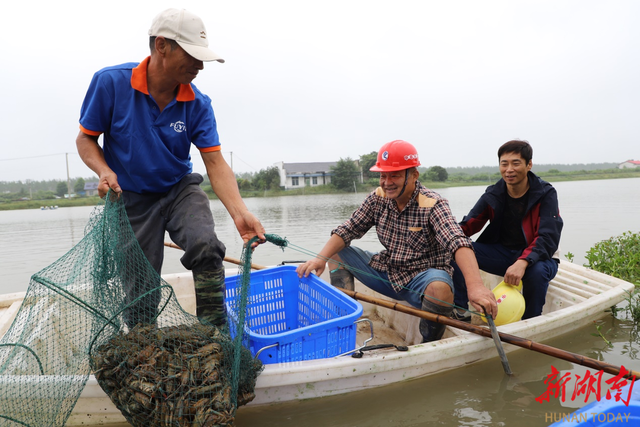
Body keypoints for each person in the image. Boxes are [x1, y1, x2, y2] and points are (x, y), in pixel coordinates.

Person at [76, 8, 265, 327]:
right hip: (131, 198)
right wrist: (104, 171)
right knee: (141, 287)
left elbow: (215, 162)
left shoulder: (198, 103)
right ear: (162, 45)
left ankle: (213, 334)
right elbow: (86, 140)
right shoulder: (111, 83)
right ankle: (143, 345)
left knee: (206, 246)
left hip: (180, 190)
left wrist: (239, 212)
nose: (200, 65)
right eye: (192, 55)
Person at [296, 140, 497, 342]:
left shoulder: (432, 203)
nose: (387, 182)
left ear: (414, 175)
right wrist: (319, 259)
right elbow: (348, 229)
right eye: (383, 175)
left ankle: (429, 343)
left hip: (422, 279)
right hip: (388, 271)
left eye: (395, 175)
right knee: (336, 252)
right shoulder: (377, 198)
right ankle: (344, 324)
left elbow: (457, 241)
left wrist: (475, 286)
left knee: (440, 288)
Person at [452, 140, 562, 321]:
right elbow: (468, 225)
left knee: (537, 273)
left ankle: (530, 322)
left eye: (516, 163)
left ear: (529, 165)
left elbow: (548, 237)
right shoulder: (494, 193)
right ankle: (461, 311)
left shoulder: (545, 193)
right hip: (503, 254)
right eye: (504, 164)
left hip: (540, 258)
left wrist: (524, 261)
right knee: (458, 249)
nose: (509, 169)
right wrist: (440, 238)